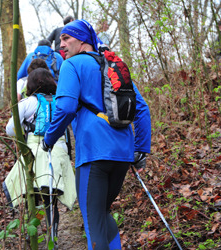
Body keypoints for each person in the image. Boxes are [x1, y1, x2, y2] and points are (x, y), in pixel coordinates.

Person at [41, 19, 151, 250]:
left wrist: (49, 139)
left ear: (82, 41)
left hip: (93, 153)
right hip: (123, 154)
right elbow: (141, 108)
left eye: (66, 38)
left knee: (93, 221)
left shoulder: (71, 65)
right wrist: (141, 149)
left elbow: (66, 108)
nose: (61, 44)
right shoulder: (113, 65)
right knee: (102, 213)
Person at [3, 68, 76, 242]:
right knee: (51, 201)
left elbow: (9, 129)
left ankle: (31, 236)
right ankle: (54, 238)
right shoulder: (61, 102)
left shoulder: (28, 103)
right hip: (58, 154)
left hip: (35, 154)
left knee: (31, 194)